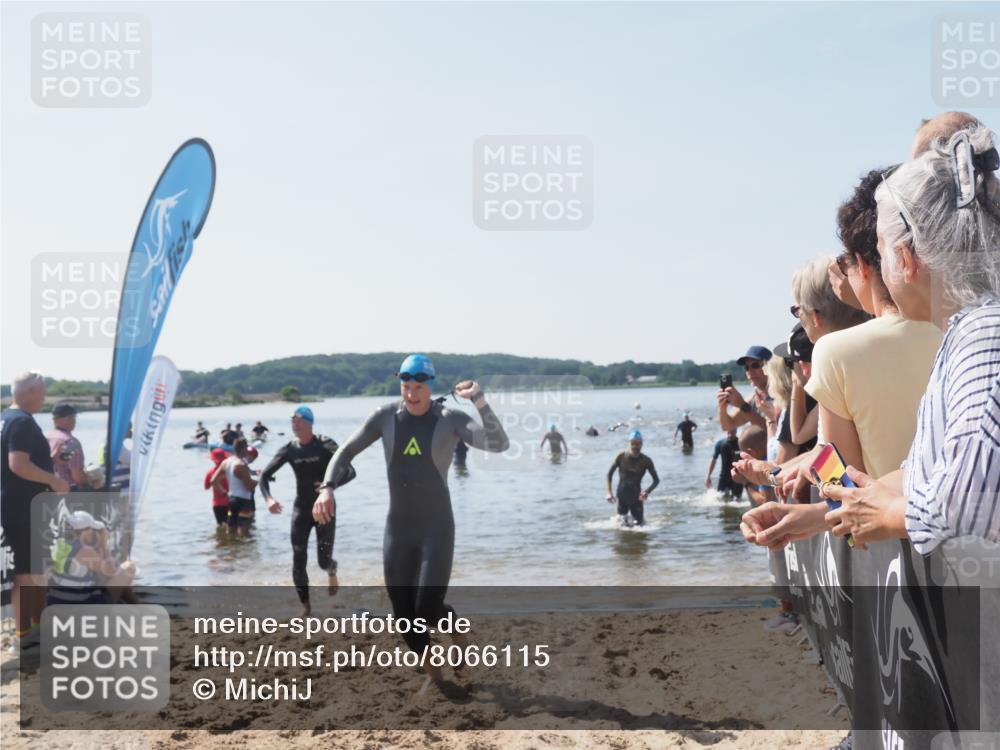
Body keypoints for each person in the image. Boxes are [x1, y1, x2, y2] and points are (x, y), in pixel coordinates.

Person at [742, 123, 1000, 553]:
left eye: (880, 251)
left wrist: (877, 514)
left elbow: (970, 502)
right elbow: (930, 473)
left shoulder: (980, 334)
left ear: (905, 258)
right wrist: (823, 516)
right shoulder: (960, 331)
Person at [314, 354, 509, 697]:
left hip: (436, 529)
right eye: (406, 386)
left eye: (418, 386)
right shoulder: (386, 416)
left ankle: (456, 630)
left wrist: (479, 400)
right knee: (404, 617)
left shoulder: (450, 418)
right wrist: (327, 488)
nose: (412, 393)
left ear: (430, 385)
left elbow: (498, 443)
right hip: (398, 531)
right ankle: (434, 676)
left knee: (427, 609)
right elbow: (345, 452)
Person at [259, 406, 354, 616]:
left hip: (325, 508)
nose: (294, 423)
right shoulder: (289, 449)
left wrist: (330, 485)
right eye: (292, 419)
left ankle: (332, 569)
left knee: (323, 561)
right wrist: (269, 499)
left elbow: (350, 472)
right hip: (301, 509)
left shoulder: (326, 445)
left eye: (299, 419)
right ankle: (306, 606)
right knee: (298, 555)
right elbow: (264, 476)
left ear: (310, 422)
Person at [2, 372, 70, 655]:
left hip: (14, 502)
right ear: (29, 391)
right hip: (24, 505)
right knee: (28, 573)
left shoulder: (6, 417)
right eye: (42, 393)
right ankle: (25, 637)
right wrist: (54, 480)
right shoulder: (22, 422)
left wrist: (46, 464)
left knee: (30, 570)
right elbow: (18, 464)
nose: (44, 399)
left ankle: (30, 632)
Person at [47, 510, 134, 605]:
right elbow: (112, 573)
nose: (94, 533)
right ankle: (137, 606)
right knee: (128, 567)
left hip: (57, 602)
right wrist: (104, 545)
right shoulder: (85, 551)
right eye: (93, 530)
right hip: (78, 606)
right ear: (85, 531)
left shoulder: (60, 544)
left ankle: (135, 604)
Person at [606, 430, 659, 527]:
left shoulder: (646, 461)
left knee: (640, 527)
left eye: (638, 443)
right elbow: (609, 474)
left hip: (637, 498)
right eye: (633, 443)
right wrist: (609, 492)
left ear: (642, 444)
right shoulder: (621, 457)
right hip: (622, 497)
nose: (635, 446)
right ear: (629, 443)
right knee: (622, 528)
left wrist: (647, 492)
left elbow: (656, 480)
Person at [717, 346, 771, 432]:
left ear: (769, 367)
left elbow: (775, 431)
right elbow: (728, 426)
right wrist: (722, 407)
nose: (750, 371)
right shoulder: (753, 399)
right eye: (747, 367)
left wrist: (742, 405)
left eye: (755, 365)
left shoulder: (782, 395)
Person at [211, 437, 257, 537]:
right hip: (244, 502)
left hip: (232, 501)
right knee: (244, 533)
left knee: (230, 530)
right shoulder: (240, 465)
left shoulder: (226, 462)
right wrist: (259, 480)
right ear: (244, 449)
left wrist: (224, 492)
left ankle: (231, 551)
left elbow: (213, 481)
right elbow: (250, 487)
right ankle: (242, 552)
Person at [45, 403, 91, 490]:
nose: (74, 421)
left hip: (48, 491)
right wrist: (91, 482)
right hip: (67, 493)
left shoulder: (46, 438)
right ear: (69, 418)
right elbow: (78, 476)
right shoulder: (70, 443)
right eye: (73, 417)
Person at [704, 428, 743, 500]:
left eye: (733, 432)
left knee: (737, 500)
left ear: (736, 431)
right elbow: (713, 459)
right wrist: (708, 475)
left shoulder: (741, 444)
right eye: (729, 432)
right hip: (724, 477)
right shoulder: (721, 444)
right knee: (720, 499)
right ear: (726, 431)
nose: (731, 434)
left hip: (738, 477)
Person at [204, 448, 229, 527]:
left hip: (216, 505)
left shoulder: (210, 473)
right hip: (228, 503)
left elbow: (206, 487)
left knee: (220, 525)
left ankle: (220, 539)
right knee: (230, 525)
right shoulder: (229, 471)